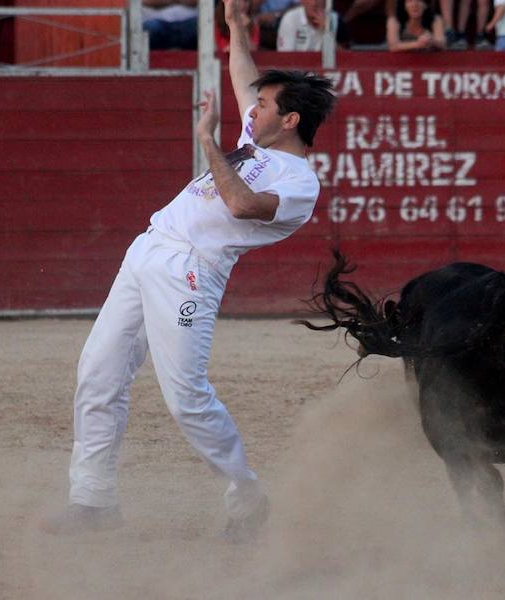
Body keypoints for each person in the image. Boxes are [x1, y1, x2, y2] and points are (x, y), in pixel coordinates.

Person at [41, 0, 337, 542]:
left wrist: (206, 140)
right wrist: (234, 24)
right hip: (148, 249)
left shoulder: (300, 182)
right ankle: (92, 500)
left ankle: (247, 495)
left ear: (290, 120)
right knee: (97, 373)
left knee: (186, 397)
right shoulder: (256, 139)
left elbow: (243, 206)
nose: (252, 108)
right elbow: (243, 73)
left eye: (264, 105)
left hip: (190, 273)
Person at [277, 0, 350, 50]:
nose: (315, 3)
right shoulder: (290, 18)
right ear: (302, 1)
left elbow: (346, 60)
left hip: (325, 71)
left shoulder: (336, 20)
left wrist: (326, 32)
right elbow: (285, 57)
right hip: (296, 70)